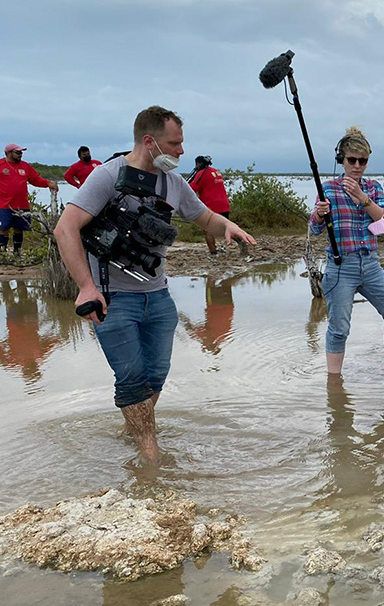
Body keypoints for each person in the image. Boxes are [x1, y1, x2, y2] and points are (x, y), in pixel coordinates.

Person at [53, 106, 256, 464]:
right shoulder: (106, 177)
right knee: (131, 378)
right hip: (112, 298)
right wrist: (86, 286)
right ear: (149, 142)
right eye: (174, 143)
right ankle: (151, 460)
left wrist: (227, 227)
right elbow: (65, 229)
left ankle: (134, 432)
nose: (181, 151)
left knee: (155, 377)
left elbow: (202, 216)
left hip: (158, 297)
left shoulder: (173, 183)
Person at [310, 126, 384, 375]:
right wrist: (319, 215)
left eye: (362, 161)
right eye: (351, 160)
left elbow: (383, 225)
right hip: (341, 266)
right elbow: (315, 230)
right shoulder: (328, 188)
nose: (356, 165)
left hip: (370, 264)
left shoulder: (373, 187)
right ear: (341, 160)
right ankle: (334, 384)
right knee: (339, 329)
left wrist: (363, 198)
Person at [0, 143, 59, 257]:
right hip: (5, 204)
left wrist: (48, 183)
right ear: (8, 153)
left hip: (22, 204)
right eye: (18, 152)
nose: (20, 155)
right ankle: (2, 253)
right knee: (4, 228)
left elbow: (36, 179)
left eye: (21, 153)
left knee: (19, 228)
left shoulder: (25, 166)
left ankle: (17, 252)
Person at [187, 155, 232, 255]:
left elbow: (192, 189)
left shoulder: (201, 174)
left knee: (208, 230)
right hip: (224, 204)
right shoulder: (216, 171)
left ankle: (213, 253)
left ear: (198, 164)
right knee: (227, 228)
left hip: (211, 206)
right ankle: (239, 244)